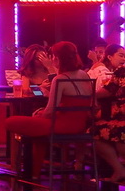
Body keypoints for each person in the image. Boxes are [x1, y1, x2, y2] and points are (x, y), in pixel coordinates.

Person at [6, 41, 93, 177]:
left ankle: (31, 174)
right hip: (79, 124)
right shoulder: (84, 75)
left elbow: (49, 111)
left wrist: (39, 114)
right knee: (37, 130)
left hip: (60, 125)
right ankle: (33, 173)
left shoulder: (59, 79)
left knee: (11, 121)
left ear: (56, 59)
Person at [91, 45, 125, 182]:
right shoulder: (119, 71)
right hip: (118, 116)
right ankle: (119, 170)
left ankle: (119, 169)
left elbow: (108, 91)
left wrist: (89, 93)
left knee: (96, 132)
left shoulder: (122, 71)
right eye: (121, 55)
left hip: (120, 118)